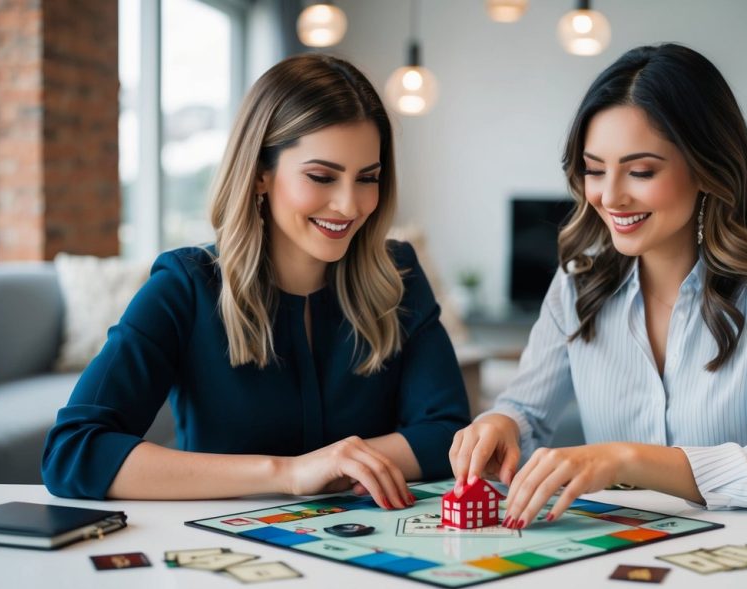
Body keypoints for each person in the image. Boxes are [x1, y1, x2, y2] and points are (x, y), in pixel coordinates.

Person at [42, 54, 471, 507]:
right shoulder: (184, 287)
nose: (349, 205)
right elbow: (74, 451)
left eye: (368, 178)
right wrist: (289, 472)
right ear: (261, 174)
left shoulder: (398, 274)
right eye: (321, 176)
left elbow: (446, 431)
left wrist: (339, 464)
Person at [449, 43, 747, 526]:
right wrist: (499, 424)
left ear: (707, 167)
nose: (610, 197)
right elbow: (525, 410)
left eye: (641, 171)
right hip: (612, 557)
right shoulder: (577, 282)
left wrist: (622, 459)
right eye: (593, 170)